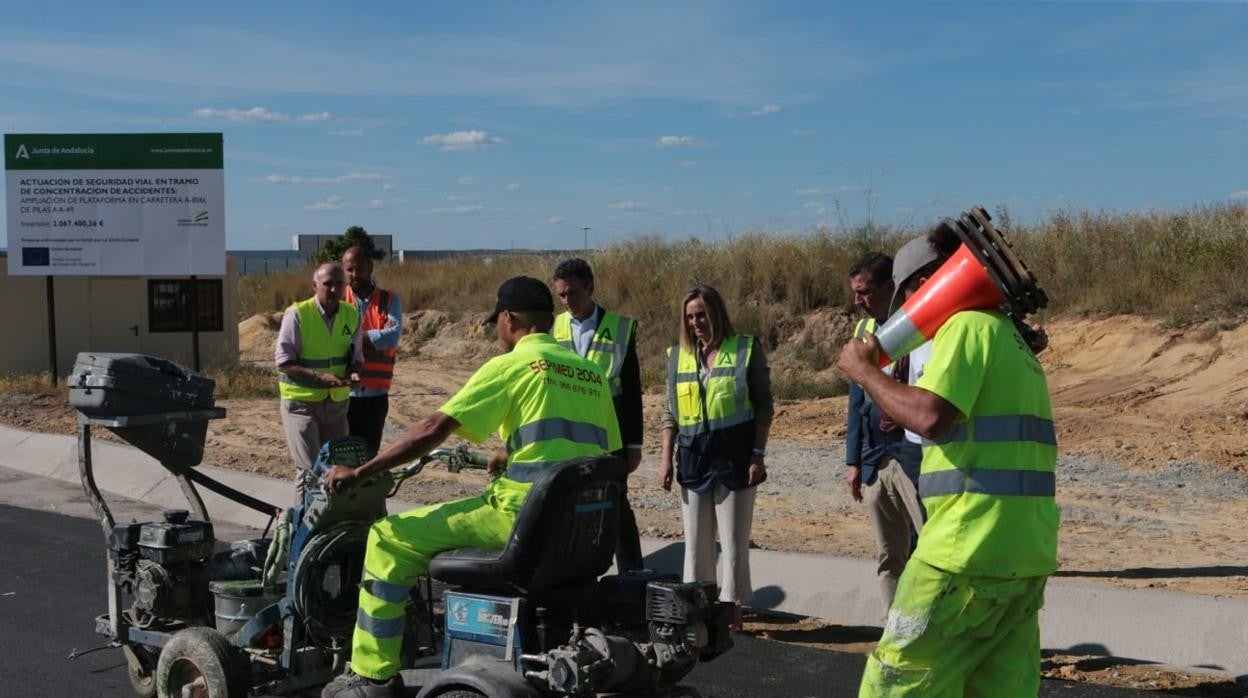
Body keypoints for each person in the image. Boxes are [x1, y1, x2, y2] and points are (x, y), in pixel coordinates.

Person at [321, 276, 621, 698]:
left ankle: (371, 675)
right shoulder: (591, 374)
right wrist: (510, 455)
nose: (497, 331)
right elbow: (595, 455)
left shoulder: (512, 365)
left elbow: (433, 428)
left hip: (518, 520)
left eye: (497, 322)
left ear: (509, 318)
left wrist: (362, 472)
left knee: (387, 538)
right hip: (578, 529)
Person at [838, 226, 1059, 697]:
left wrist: (863, 372)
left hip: (963, 553)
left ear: (925, 286)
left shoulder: (965, 326)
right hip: (1023, 555)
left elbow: (928, 416)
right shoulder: (1010, 340)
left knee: (896, 683)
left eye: (908, 298)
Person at [659, 285, 773, 633]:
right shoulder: (677, 357)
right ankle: (699, 610)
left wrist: (757, 454)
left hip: (735, 457)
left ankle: (732, 611)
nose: (696, 322)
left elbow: (764, 406)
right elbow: (670, 413)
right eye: (690, 317)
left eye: (702, 315)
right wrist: (665, 460)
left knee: (734, 541)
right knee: (695, 543)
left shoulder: (744, 349)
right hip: (693, 459)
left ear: (716, 314)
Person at [844, 252, 926, 615]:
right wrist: (853, 461)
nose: (858, 301)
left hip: (915, 456)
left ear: (890, 288)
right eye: (855, 292)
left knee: (928, 550)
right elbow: (856, 403)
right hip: (876, 457)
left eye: (865, 292)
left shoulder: (923, 325)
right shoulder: (863, 333)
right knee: (889, 554)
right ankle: (895, 628)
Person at [551, 258, 645, 571]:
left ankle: (632, 573)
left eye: (572, 294)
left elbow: (632, 392)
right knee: (568, 507)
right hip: (566, 436)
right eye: (561, 295)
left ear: (591, 287)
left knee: (616, 504)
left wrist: (633, 445)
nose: (566, 302)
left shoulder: (619, 328)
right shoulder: (554, 328)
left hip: (609, 437)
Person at [275, 263, 363, 498]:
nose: (333, 289)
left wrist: (354, 373)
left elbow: (356, 357)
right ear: (315, 286)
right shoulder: (298, 314)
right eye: (327, 284)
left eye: (339, 284)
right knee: (310, 471)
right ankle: (303, 528)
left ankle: (331, 526)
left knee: (338, 471)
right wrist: (320, 377)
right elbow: (283, 362)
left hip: (336, 404)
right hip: (301, 404)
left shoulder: (351, 314)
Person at [342, 246, 403, 457]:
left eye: (359, 269)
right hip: (343, 393)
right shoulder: (338, 300)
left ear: (370, 267)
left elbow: (391, 337)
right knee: (341, 456)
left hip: (375, 396)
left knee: (368, 456)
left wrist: (353, 338)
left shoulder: (389, 301)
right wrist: (373, 339)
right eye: (349, 270)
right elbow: (333, 340)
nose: (354, 275)